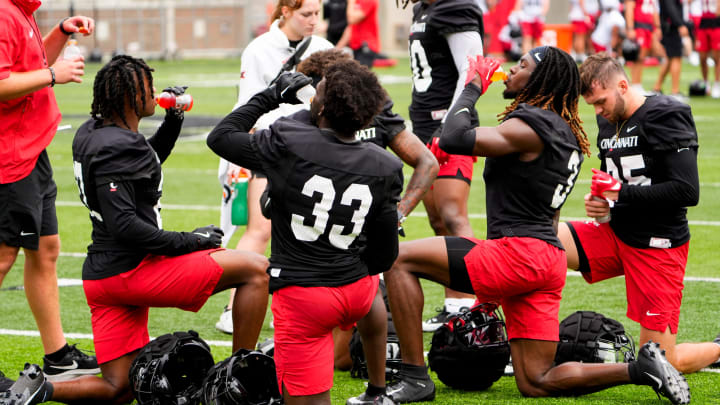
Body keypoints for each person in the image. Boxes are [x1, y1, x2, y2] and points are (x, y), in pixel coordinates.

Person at [383, 46, 690, 405]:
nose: (512, 69)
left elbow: (454, 138)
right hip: (547, 261)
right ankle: (639, 371)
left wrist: (472, 85)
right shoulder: (564, 129)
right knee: (536, 381)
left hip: (518, 254)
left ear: (540, 79)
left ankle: (415, 377)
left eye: (522, 66)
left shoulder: (532, 124)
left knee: (398, 258)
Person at [1, 55, 270, 405]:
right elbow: (126, 225)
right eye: (148, 87)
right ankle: (240, 377)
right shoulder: (118, 145)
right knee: (256, 270)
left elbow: (144, 161)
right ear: (130, 96)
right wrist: (193, 240)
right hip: (135, 270)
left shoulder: (93, 132)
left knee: (118, 388)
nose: (155, 93)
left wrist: (173, 120)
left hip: (103, 276)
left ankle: (39, 390)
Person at [207, 61, 402, 405]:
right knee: (372, 288)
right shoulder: (384, 165)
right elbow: (384, 255)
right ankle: (377, 388)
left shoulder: (288, 140)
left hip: (305, 297)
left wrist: (270, 96)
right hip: (357, 290)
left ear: (322, 107)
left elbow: (221, 137)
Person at [558, 53, 720, 376]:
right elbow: (614, 185)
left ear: (622, 85)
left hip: (657, 245)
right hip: (615, 233)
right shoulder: (609, 121)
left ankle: (718, 348)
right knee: (540, 242)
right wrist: (603, 206)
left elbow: (688, 191)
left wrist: (620, 194)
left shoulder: (666, 114)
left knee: (660, 362)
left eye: (601, 101)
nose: (598, 111)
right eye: (592, 104)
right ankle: (527, 342)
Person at [293, 49, 439, 390]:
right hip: (318, 240)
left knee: (339, 356)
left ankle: (383, 381)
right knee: (331, 356)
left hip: (356, 246)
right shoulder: (306, 116)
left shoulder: (374, 111)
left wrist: (398, 214)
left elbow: (427, 162)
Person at [215, 0, 333, 334]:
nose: (313, 21)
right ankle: (231, 308)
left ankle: (316, 304)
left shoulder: (324, 47)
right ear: (285, 11)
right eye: (305, 14)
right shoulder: (258, 49)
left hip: (314, 149)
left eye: (316, 14)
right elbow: (249, 103)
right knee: (259, 229)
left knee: (315, 227)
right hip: (273, 145)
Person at [0, 0, 99, 383]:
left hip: (31, 151)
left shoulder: (21, 10)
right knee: (4, 256)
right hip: (11, 158)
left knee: (45, 249)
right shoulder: (5, 12)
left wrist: (58, 34)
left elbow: (25, 67)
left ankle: (58, 356)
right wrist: (54, 75)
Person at [403, 0, 485, 332]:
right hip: (423, 126)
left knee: (453, 214)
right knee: (437, 219)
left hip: (450, 127)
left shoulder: (457, 6)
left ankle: (474, 306)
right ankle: (456, 304)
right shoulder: (423, 9)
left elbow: (471, 70)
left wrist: (449, 123)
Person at [650, 0, 691, 101]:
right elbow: (670, 7)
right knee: (676, 57)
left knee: (670, 58)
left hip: (669, 25)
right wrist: (680, 24)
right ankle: (675, 91)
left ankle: (657, 88)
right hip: (672, 27)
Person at [625, 0, 661, 92]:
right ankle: (635, 84)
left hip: (648, 27)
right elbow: (629, 8)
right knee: (638, 56)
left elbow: (654, 9)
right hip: (639, 25)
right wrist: (630, 28)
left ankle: (638, 84)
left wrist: (657, 26)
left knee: (643, 57)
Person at [695, 0, 720, 98]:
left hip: (716, 23)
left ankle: (717, 84)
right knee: (702, 57)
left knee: (717, 58)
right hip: (703, 23)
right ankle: (706, 83)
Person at [345, 0, 379, 68]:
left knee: (361, 75)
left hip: (366, 45)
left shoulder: (369, 1)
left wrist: (350, 2)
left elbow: (351, 20)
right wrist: (338, 47)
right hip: (356, 45)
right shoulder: (357, 2)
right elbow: (350, 28)